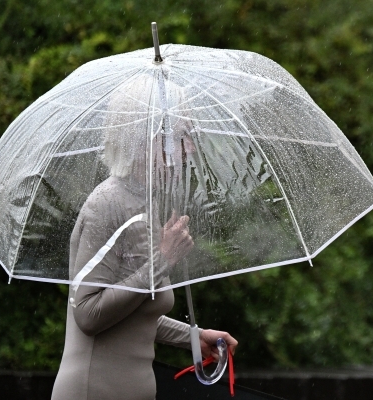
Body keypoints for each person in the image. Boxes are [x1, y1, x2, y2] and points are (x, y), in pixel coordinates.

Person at [51, 78, 238, 400]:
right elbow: (88, 314)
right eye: (182, 136)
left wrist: (195, 338)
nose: (190, 147)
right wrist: (163, 260)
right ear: (148, 139)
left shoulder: (146, 203)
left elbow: (134, 315)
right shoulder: (106, 204)